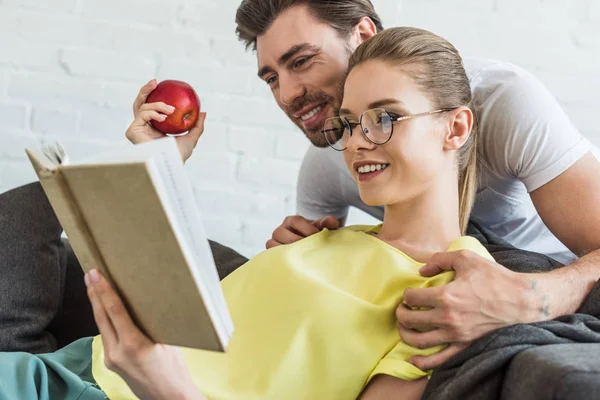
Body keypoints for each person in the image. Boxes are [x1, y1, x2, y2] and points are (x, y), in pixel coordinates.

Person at [0, 26, 497, 400]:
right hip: (64, 370)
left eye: (384, 118)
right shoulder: (326, 238)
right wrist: (156, 166)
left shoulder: (453, 298)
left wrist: (166, 389)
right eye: (348, 123)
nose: (358, 142)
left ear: (455, 128)